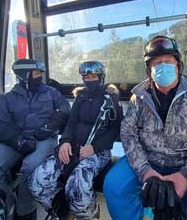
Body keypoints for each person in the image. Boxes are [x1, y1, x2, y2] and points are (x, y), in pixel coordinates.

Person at [103, 36, 187, 220]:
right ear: (149, 70)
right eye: (156, 63)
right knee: (114, 185)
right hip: (147, 160)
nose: (162, 66)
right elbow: (129, 134)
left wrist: (186, 177)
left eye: (168, 61)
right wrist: (145, 171)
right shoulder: (139, 98)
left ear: (178, 66)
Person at [0, 59, 71, 220]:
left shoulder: (51, 92)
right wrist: (18, 141)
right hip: (17, 139)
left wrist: (49, 127)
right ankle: (8, 205)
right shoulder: (8, 98)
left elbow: (65, 109)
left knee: (29, 167)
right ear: (24, 75)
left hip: (44, 139)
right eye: (36, 74)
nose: (39, 77)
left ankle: (25, 210)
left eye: (40, 74)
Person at [28, 61, 123, 220]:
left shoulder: (111, 98)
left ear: (101, 77)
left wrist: (95, 147)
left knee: (77, 185)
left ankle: (89, 215)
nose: (89, 80)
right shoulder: (81, 97)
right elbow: (71, 123)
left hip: (98, 151)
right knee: (37, 181)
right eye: (86, 77)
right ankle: (63, 211)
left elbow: (116, 128)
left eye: (93, 77)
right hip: (73, 147)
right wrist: (64, 142)